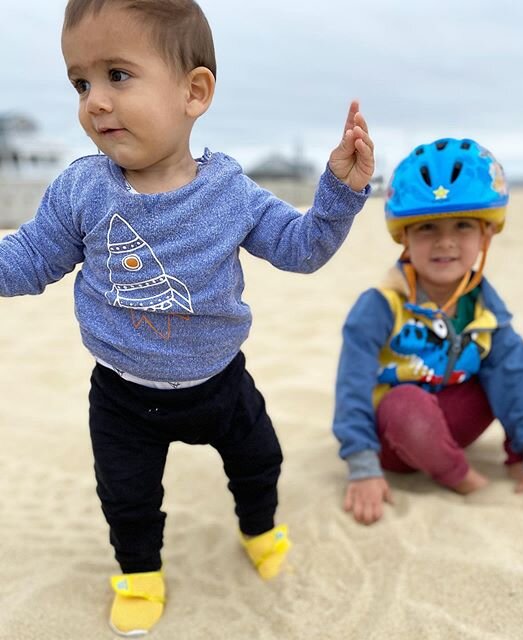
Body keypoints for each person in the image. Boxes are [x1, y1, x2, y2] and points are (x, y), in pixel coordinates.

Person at [0, 0, 374, 634]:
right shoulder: (82, 189)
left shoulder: (231, 192)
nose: (94, 100)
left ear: (194, 92)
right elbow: (30, 258)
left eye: (118, 75)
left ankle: (258, 529)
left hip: (220, 382)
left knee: (260, 461)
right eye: (81, 82)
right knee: (128, 497)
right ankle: (140, 575)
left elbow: (302, 248)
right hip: (121, 393)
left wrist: (338, 195)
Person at [332, 138, 523, 526]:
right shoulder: (380, 305)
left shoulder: (485, 305)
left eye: (462, 225)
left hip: (453, 419)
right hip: (397, 438)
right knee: (404, 403)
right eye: (427, 228)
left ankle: (522, 457)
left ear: (486, 235)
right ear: (404, 236)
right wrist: (363, 468)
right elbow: (351, 386)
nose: (445, 241)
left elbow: (517, 375)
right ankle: (459, 477)